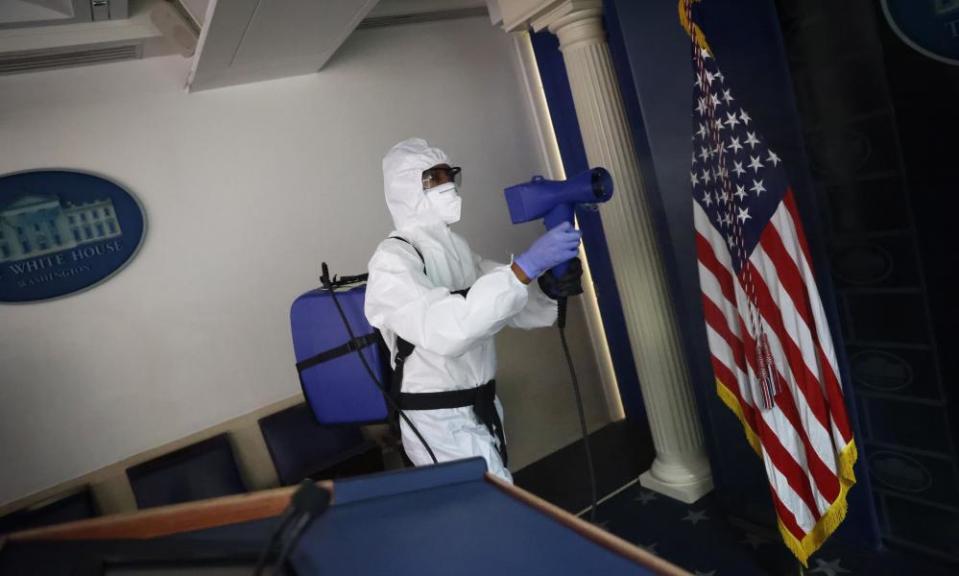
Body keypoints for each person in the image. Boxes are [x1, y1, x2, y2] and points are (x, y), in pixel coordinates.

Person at [365, 138, 583, 482]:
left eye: (450, 175)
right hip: (438, 420)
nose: (447, 185)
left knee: (489, 507)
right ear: (406, 188)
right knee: (493, 513)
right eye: (434, 178)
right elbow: (448, 331)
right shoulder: (393, 260)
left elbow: (503, 300)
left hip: (478, 406)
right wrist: (525, 268)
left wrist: (546, 286)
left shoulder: (457, 248)